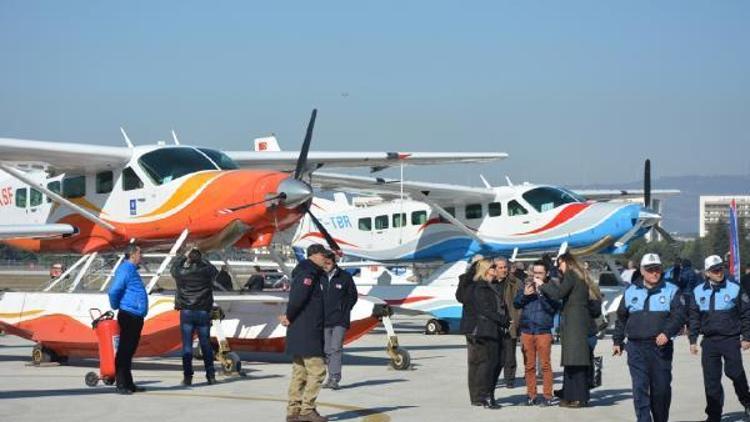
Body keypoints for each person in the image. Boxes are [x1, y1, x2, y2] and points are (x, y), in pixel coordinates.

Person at [612, 253, 685, 422]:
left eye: (657, 269)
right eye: (650, 270)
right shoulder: (631, 291)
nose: (654, 273)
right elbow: (622, 317)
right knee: (639, 389)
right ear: (642, 271)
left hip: (660, 348)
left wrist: (667, 333)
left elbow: (679, 316)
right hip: (636, 348)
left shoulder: (671, 290)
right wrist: (617, 340)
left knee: (661, 390)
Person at [688, 255, 750, 422]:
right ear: (707, 273)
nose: (719, 272)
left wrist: (747, 337)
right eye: (715, 270)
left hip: (730, 339)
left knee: (735, 373)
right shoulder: (698, 291)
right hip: (709, 342)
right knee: (711, 380)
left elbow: (746, 314)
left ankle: (747, 401)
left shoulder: (734, 288)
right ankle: (714, 415)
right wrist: (692, 340)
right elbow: (694, 317)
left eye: (720, 268)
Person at [539, 252, 598, 408]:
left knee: (576, 361)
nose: (559, 266)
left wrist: (542, 285)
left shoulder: (571, 275)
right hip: (576, 323)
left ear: (568, 262)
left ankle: (578, 398)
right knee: (572, 361)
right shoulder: (579, 276)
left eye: (560, 263)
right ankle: (571, 395)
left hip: (575, 324)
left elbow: (559, 293)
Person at [282, 244, 329, 422]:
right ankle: (307, 409)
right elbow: (297, 299)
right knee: (318, 371)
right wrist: (289, 316)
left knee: (300, 372)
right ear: (313, 255)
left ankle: (293, 411)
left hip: (300, 330)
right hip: (307, 330)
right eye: (323, 255)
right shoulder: (308, 274)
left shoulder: (310, 272)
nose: (325, 258)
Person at [514, 259, 560, 407]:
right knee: (529, 366)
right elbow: (516, 303)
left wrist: (542, 292)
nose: (537, 276)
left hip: (543, 331)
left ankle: (547, 396)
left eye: (540, 273)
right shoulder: (527, 285)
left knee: (545, 365)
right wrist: (525, 295)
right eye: (535, 273)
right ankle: (531, 395)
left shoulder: (552, 287)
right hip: (527, 330)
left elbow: (553, 308)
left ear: (546, 273)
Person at [171, 247, 219, 386]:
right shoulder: (206, 273)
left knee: (187, 346)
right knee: (205, 344)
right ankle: (210, 375)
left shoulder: (182, 274)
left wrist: (184, 256)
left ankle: (187, 377)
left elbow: (174, 269)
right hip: (203, 312)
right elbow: (213, 270)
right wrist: (201, 257)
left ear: (189, 260)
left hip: (186, 312)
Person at [107, 244, 148, 395]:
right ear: (132, 255)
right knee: (124, 350)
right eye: (139, 253)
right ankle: (121, 384)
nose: (141, 256)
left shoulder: (131, 270)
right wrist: (116, 305)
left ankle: (129, 383)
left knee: (129, 351)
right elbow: (114, 291)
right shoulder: (125, 269)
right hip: (129, 314)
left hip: (135, 315)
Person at [471, 259, 506, 409]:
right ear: (486, 270)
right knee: (492, 363)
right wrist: (502, 320)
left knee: (499, 362)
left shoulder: (493, 286)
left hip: (496, 328)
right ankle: (487, 395)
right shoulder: (480, 287)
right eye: (492, 267)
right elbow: (485, 309)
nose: (495, 269)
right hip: (487, 329)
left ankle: (488, 393)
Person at [320, 250, 358, 390]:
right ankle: (330, 377)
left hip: (340, 320)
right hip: (324, 319)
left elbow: (353, 296)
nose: (326, 266)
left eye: (328, 263)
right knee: (326, 350)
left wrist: (344, 309)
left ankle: (335, 377)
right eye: (324, 263)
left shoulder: (345, 277)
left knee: (336, 348)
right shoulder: (320, 277)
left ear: (334, 263)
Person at [456, 254, 483, 405]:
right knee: (476, 361)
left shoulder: (469, 280)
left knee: (476, 362)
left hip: (473, 326)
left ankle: (477, 395)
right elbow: (462, 298)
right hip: (473, 326)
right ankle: (477, 396)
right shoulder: (468, 281)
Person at [492, 257, 521, 390]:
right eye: (500, 267)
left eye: (505, 267)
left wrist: (517, 319)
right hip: (494, 323)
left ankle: (509, 379)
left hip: (510, 322)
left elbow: (521, 303)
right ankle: (492, 378)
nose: (504, 270)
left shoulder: (515, 283)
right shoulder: (489, 283)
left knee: (510, 355)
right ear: (494, 269)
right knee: (494, 354)